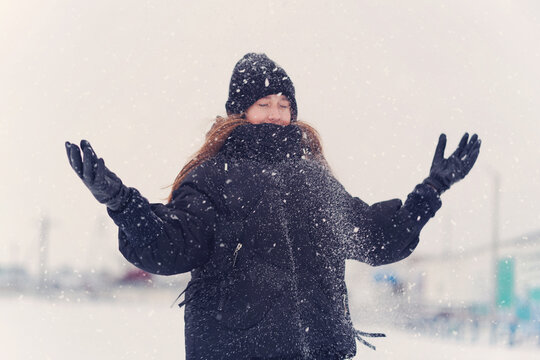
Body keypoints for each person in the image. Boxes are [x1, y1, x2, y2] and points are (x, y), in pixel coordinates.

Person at [65, 53, 481, 360]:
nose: (276, 114)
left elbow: (375, 239)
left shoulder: (315, 181)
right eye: (263, 104)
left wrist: (433, 188)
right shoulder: (214, 177)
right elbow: (171, 247)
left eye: (284, 105)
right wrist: (121, 202)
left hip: (321, 351)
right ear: (240, 112)